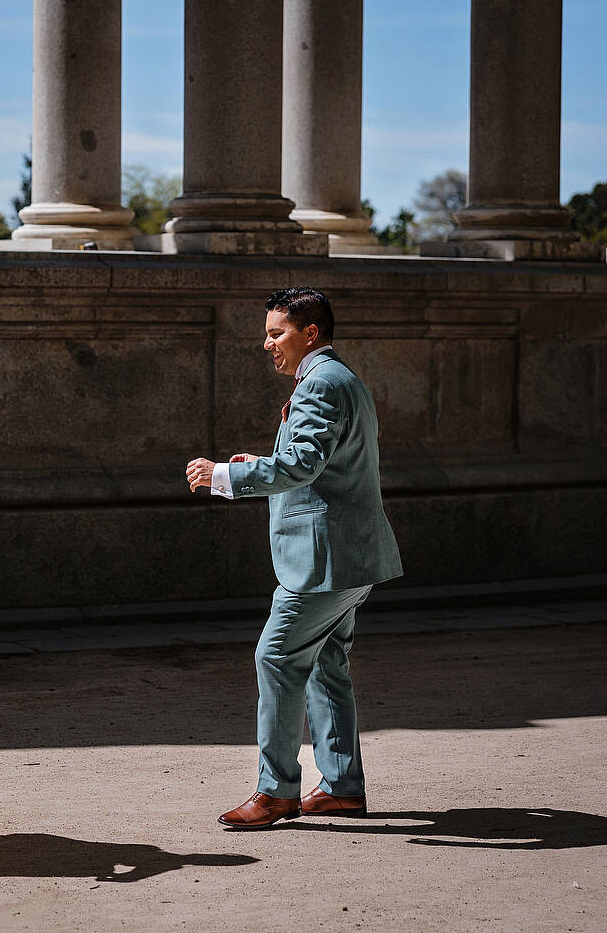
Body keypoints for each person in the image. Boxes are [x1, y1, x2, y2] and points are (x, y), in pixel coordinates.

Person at [185, 288, 402, 829]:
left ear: (310, 334)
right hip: (348, 556)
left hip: (324, 560)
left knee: (276, 657)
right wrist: (262, 462)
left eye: (276, 333)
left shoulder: (322, 383)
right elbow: (320, 464)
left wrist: (225, 476)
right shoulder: (339, 379)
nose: (267, 344)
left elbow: (303, 465)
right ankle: (341, 786)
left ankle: (277, 790)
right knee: (328, 665)